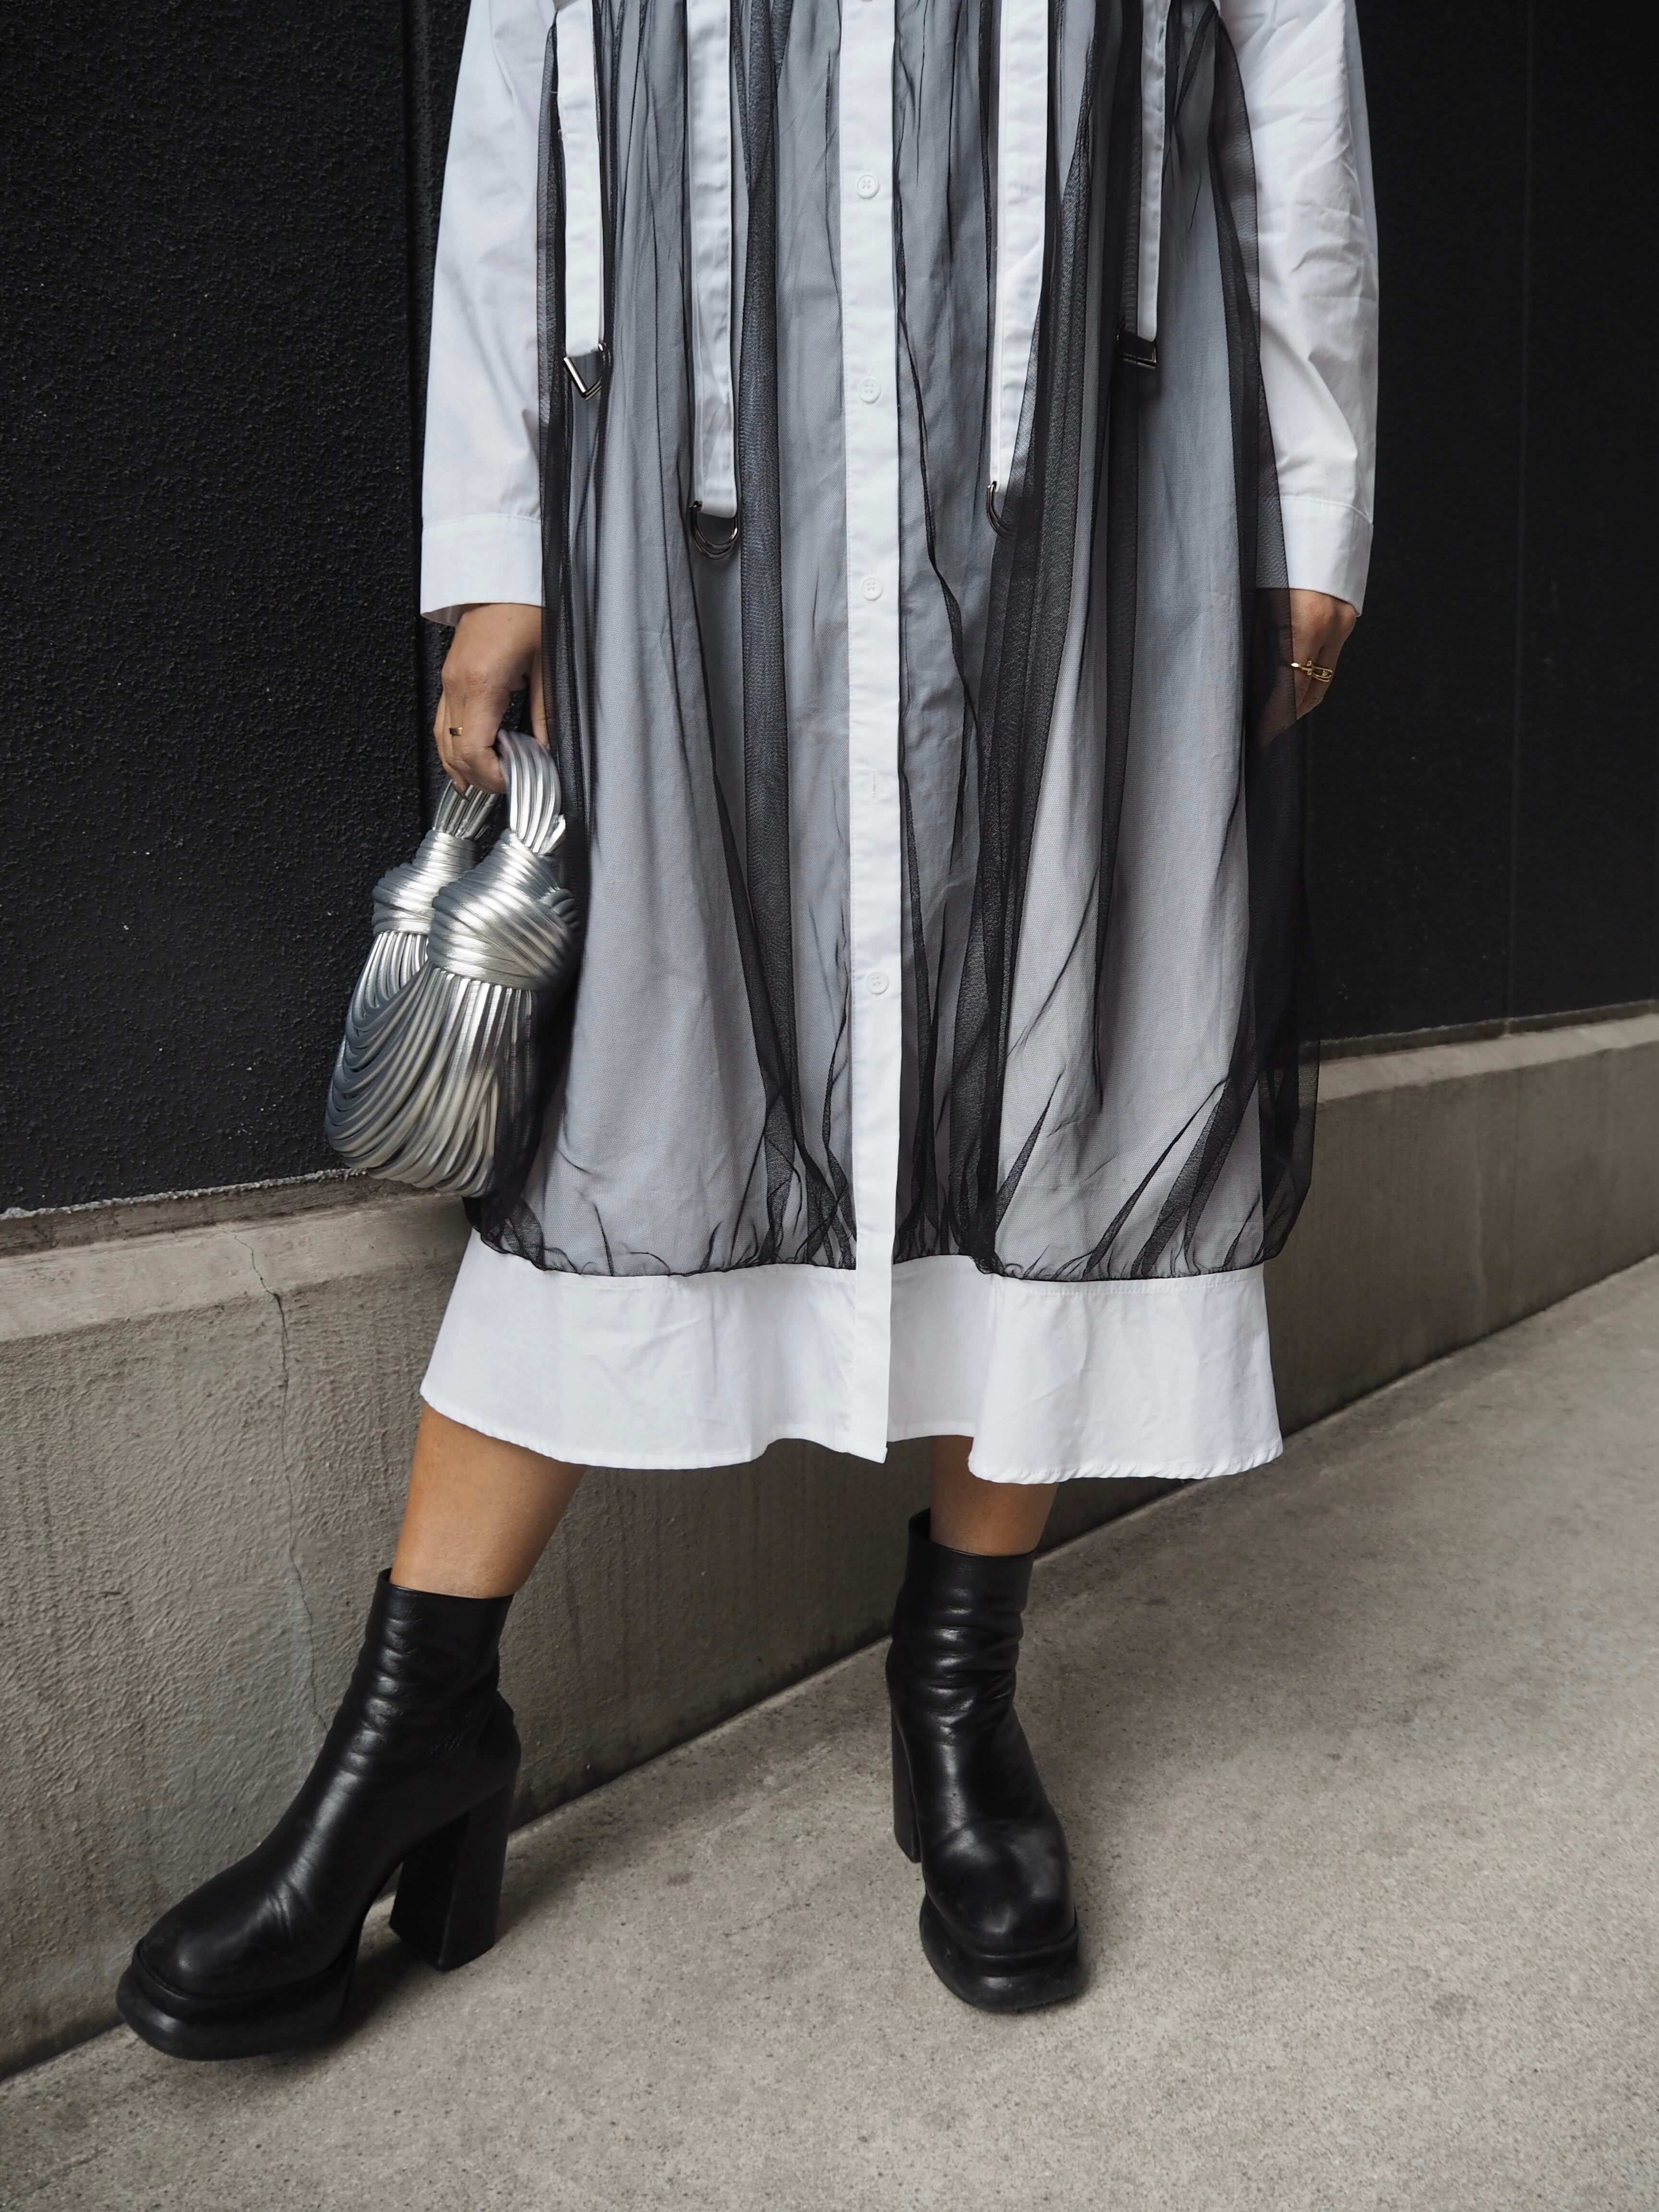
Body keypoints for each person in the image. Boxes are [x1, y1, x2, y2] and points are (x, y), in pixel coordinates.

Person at [117, 0, 1376, 2056]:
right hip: (693, 462)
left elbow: (1289, 63)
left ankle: (958, 1701)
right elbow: (522, 84)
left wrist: (1311, 483)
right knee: (629, 1098)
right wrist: (495, 536)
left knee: (1048, 1042)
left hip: (1083, 421)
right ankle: (418, 1730)